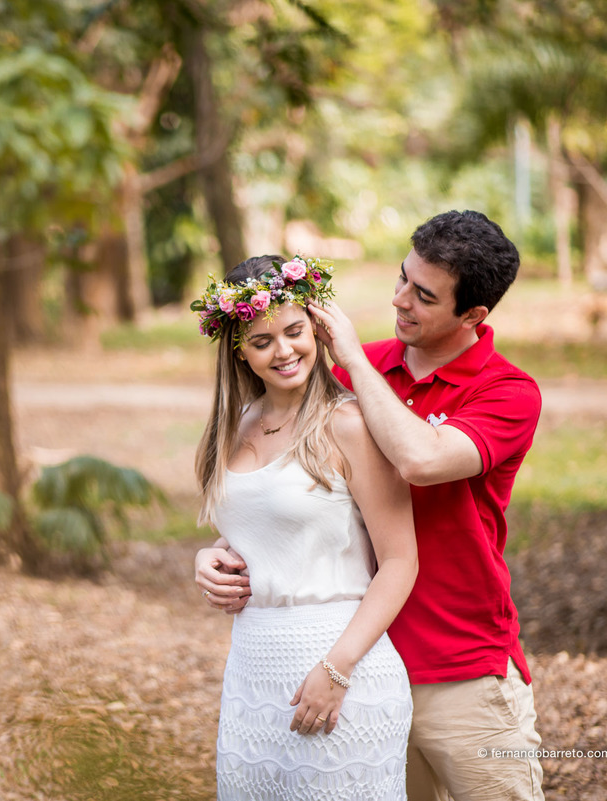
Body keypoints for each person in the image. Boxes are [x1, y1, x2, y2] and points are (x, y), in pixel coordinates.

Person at [196, 210, 545, 801]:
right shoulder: (356, 367)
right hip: (355, 660)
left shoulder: (505, 391)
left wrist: (353, 361)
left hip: (456, 665)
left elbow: (421, 460)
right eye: (402, 278)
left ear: (473, 315)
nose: (400, 300)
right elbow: (303, 499)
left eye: (424, 295)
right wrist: (222, 553)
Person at [191, 254, 418, 800]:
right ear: (240, 350)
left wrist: (336, 671)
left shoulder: (347, 424)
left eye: (295, 331)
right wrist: (210, 558)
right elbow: (262, 527)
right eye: (262, 340)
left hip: (339, 662)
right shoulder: (237, 424)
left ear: (317, 328)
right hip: (252, 669)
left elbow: (400, 562)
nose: (284, 350)